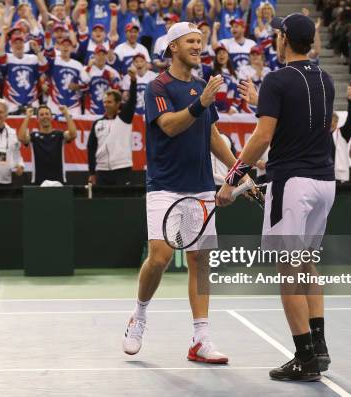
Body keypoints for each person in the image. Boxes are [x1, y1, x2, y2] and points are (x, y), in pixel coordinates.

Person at [217, 13, 335, 381]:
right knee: (306, 264)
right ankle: (320, 349)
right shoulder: (326, 79)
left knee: (287, 270)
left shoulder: (277, 80)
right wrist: (260, 102)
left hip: (293, 185)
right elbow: (303, 123)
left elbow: (264, 136)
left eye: (278, 34)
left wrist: (232, 179)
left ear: (284, 39)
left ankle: (304, 358)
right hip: (325, 184)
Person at [123, 22, 238, 364]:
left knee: (199, 261)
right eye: (190, 41)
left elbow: (212, 136)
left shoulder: (202, 86)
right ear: (173, 47)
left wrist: (238, 169)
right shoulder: (157, 85)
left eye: (200, 42)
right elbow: (170, 126)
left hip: (201, 185)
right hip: (164, 185)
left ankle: (201, 340)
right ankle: (139, 316)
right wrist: (200, 104)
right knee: (159, 257)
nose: (197, 46)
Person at [87, 69, 137, 186]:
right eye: (104, 102)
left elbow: (132, 102)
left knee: (123, 202)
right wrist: (92, 172)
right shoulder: (97, 123)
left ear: (118, 103)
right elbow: (91, 148)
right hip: (102, 170)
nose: (106, 104)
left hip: (122, 168)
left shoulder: (124, 119)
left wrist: (133, 81)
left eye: (109, 102)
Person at [17, 105, 77, 185]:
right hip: (38, 182)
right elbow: (21, 137)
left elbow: (73, 134)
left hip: (59, 181)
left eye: (47, 114)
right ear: (37, 119)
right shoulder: (33, 136)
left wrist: (66, 114)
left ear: (51, 117)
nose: (45, 116)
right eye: (41, 115)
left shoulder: (59, 135)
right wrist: (27, 117)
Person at [331, 83, 351, 183]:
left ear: (337, 122)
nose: (329, 121)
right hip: (322, 176)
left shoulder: (341, 134)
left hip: (339, 178)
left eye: (332, 119)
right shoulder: (319, 135)